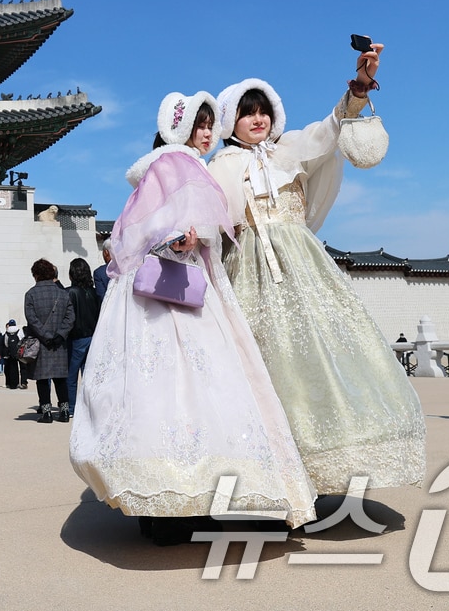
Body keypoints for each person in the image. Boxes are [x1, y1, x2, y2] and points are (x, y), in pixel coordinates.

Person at [70, 91, 317, 543]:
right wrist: (184, 239)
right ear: (179, 129)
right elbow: (176, 228)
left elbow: (130, 236)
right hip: (179, 296)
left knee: (156, 396)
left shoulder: (157, 169)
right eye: (199, 126)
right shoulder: (180, 164)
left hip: (154, 297)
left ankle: (163, 507)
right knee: (196, 392)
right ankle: (186, 504)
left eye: (209, 125)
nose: (207, 133)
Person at [208, 49, 426, 492]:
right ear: (231, 121)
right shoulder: (221, 166)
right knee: (262, 358)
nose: (258, 120)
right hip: (249, 269)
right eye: (247, 113)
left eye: (263, 111)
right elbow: (207, 216)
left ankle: (324, 463)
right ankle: (269, 472)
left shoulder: (290, 149)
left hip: (302, 264)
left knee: (324, 351)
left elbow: (329, 129)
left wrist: (358, 88)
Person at [23, 260, 74, 423]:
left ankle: (46, 412)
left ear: (36, 274)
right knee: (60, 378)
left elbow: (32, 319)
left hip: (41, 342)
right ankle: (64, 411)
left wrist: (45, 336)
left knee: (42, 378)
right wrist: (60, 335)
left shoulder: (31, 294)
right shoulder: (63, 293)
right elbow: (70, 317)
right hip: (59, 343)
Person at [65, 258, 99, 417]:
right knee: (89, 376)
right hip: (92, 337)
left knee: (71, 377)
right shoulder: (94, 292)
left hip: (76, 338)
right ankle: (89, 408)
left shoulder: (70, 293)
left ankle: (72, 407)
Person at [1, 320, 22, 390]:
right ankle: (18, 383)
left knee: (10, 368)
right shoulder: (18, 331)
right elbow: (22, 340)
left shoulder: (7, 333)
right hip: (18, 352)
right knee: (17, 368)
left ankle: (11, 384)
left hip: (10, 353)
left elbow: (6, 343)